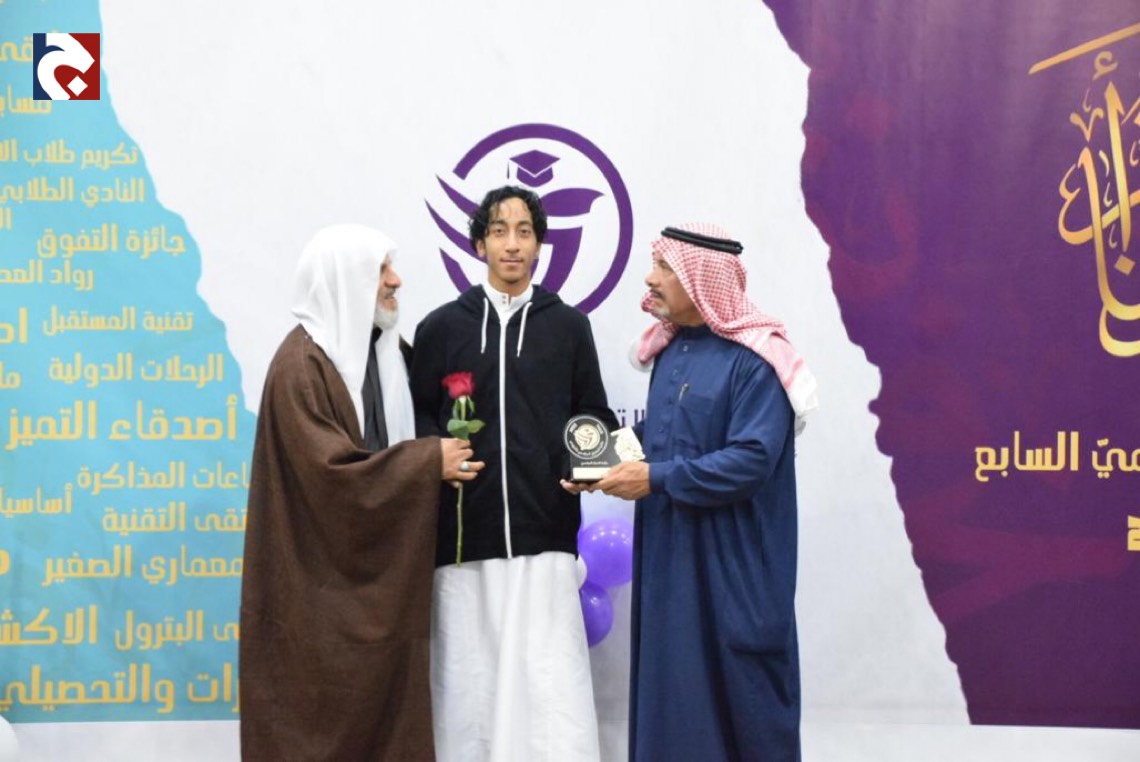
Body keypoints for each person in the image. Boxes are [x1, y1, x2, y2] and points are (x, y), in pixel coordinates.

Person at [240, 224, 484, 761]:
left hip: (379, 588)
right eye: (380, 270)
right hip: (318, 597)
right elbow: (330, 477)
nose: (396, 281)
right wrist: (427, 462)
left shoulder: (382, 351)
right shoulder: (301, 367)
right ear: (344, 280)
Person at [592, 223, 818, 762]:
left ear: (702, 278)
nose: (651, 279)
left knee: (744, 711)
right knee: (674, 700)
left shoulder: (757, 361)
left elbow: (750, 461)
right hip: (673, 567)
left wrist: (654, 478)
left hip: (733, 575)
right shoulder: (671, 351)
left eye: (665, 268)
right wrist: (596, 459)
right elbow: (662, 433)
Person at [410, 186, 616, 761]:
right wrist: (434, 452)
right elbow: (415, 419)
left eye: (525, 232)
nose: (512, 244)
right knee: (468, 690)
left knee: (547, 692)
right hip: (463, 543)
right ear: (479, 244)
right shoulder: (440, 328)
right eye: (499, 231)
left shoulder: (569, 327)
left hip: (544, 538)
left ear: (540, 245)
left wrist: (585, 465)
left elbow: (593, 416)